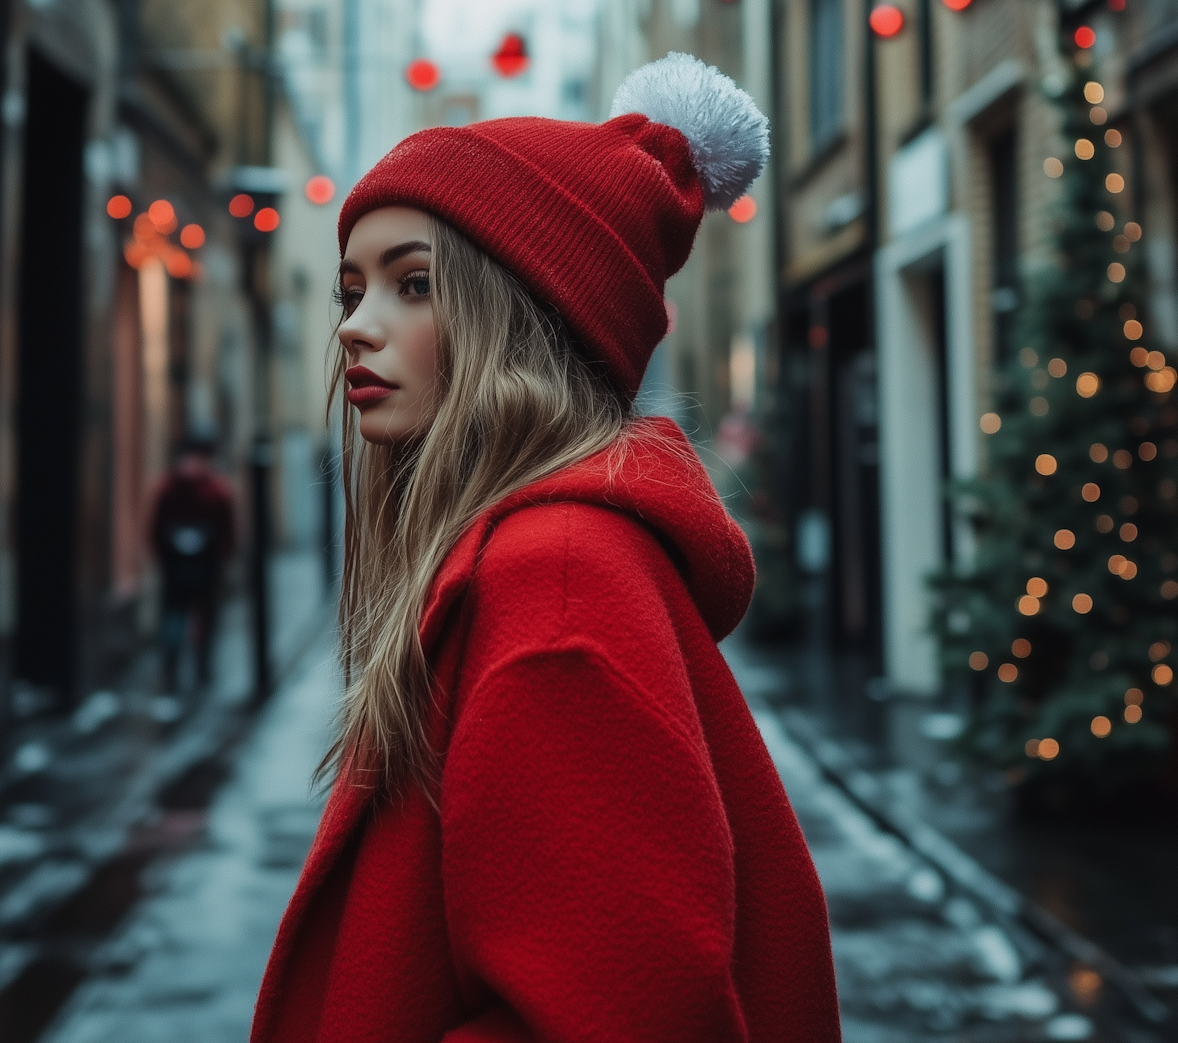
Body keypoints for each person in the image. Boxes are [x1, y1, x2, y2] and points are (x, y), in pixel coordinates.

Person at [252, 54, 840, 1041]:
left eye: (414, 284)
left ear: (522, 321)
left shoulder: (556, 586)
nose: (356, 327)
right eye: (351, 290)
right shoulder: (540, 556)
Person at [148, 434, 236, 691]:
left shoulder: (210, 490)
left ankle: (199, 667)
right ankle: (176, 667)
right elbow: (156, 529)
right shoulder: (177, 489)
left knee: (201, 618)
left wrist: (221, 555)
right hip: (179, 567)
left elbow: (226, 530)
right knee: (178, 617)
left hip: (200, 566)